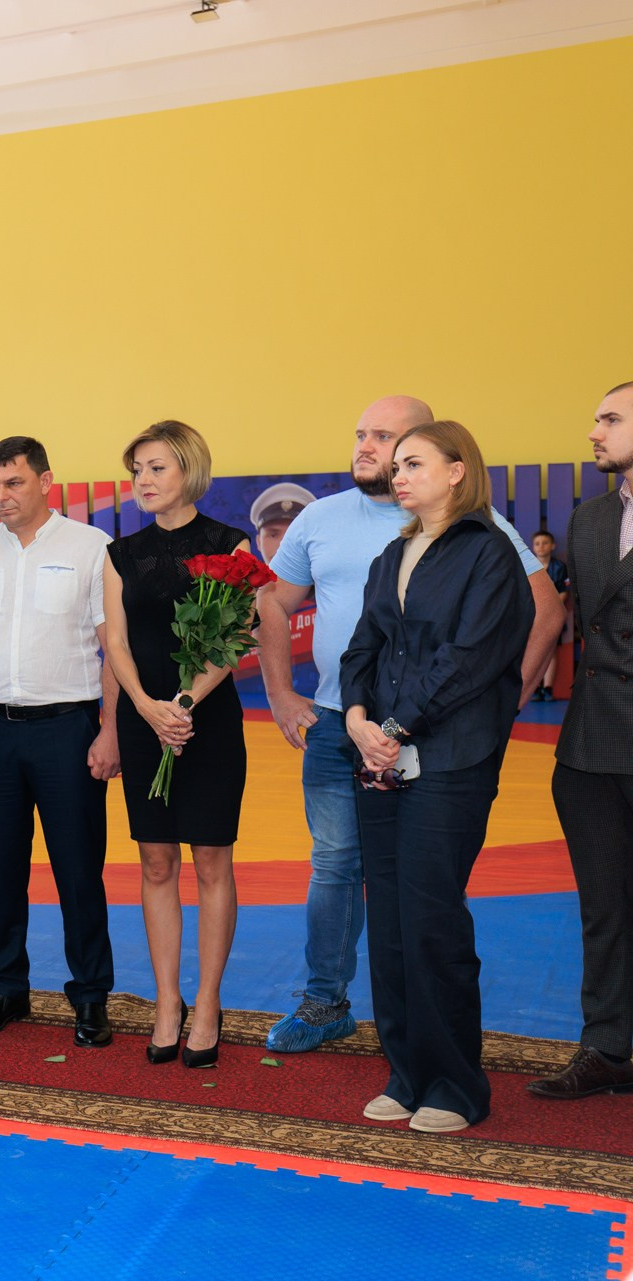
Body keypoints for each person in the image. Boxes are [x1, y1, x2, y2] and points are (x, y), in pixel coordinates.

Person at [255, 395, 562, 1053]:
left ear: (438, 457)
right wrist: (280, 692)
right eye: (362, 435)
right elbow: (274, 603)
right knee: (335, 864)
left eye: (389, 440)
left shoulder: (475, 531)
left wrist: (501, 698)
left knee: (423, 881)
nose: (370, 449)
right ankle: (326, 1003)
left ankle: (432, 1044)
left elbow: (544, 609)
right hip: (341, 724)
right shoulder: (325, 519)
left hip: (432, 733)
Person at [342, 420, 531, 1134]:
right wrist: (358, 719)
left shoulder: (489, 552)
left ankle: (455, 1084)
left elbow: (470, 658)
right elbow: (362, 647)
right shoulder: (391, 554)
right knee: (390, 923)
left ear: (457, 471)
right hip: (379, 756)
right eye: (395, 466)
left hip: (449, 760)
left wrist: (394, 729)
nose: (398, 475)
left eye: (414, 463)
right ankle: (407, 1073)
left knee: (431, 921)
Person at [0, 436, 119, 1047]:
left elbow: (113, 647)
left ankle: (90, 995)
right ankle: (6, 987)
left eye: (13, 483)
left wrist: (110, 729)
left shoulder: (91, 547)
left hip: (68, 729)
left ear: (46, 482)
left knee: (78, 869)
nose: (1, 495)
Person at [102, 420, 247, 1070]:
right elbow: (115, 640)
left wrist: (186, 704)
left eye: (156, 468)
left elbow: (236, 633)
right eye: (137, 470)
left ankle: (208, 1003)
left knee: (212, 861)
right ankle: (167, 1001)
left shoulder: (229, 543)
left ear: (189, 469)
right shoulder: (120, 553)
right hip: (144, 720)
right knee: (156, 861)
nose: (143, 480)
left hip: (206, 722)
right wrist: (144, 705)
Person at [534, 381, 633, 1101]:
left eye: (611, 419)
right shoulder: (590, 517)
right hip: (590, 746)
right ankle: (607, 1047)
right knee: (604, 908)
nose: (594, 431)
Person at [529, 530, 570, 701]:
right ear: (533, 547)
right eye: (537, 544)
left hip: (551, 616)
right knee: (533, 652)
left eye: (545, 543)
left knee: (550, 652)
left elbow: (563, 592)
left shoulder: (559, 567)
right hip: (532, 617)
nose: (541, 547)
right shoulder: (528, 567)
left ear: (552, 546)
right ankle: (534, 687)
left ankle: (547, 688)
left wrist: (549, 610)